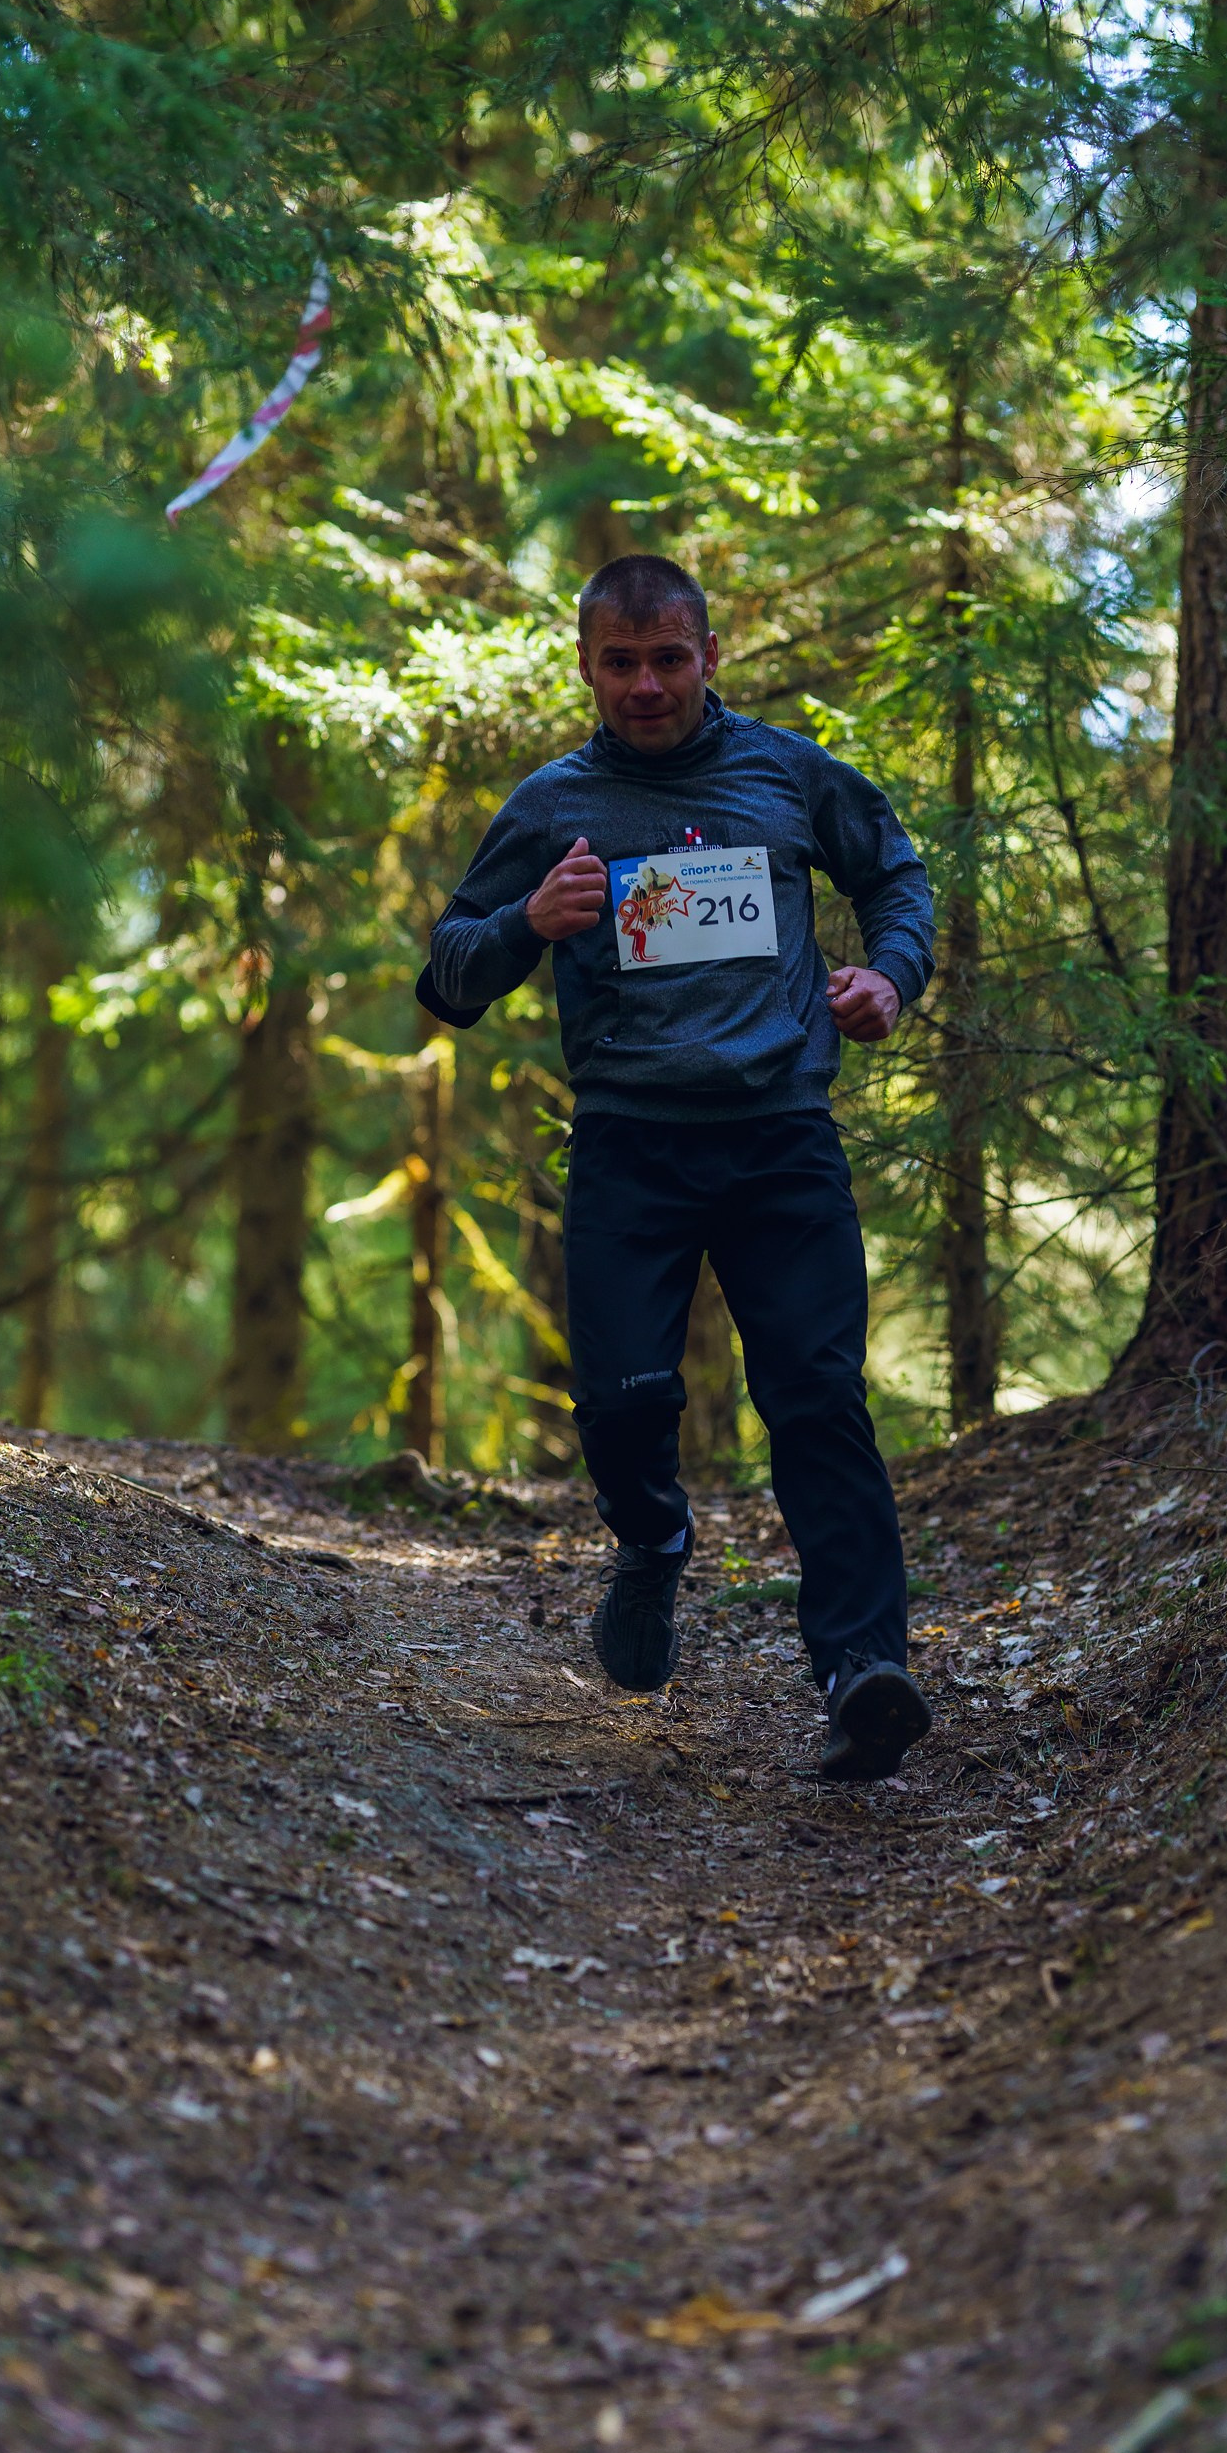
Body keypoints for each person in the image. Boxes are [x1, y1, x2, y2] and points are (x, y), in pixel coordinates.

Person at [422, 553, 936, 1782]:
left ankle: (862, 1667)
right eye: (619, 662)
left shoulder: (787, 774)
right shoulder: (553, 802)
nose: (645, 685)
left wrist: (888, 977)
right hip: (628, 1146)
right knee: (623, 1402)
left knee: (817, 1402)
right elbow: (444, 977)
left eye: (667, 659)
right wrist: (524, 925)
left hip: (779, 1137)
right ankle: (651, 1542)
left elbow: (895, 876)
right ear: (587, 667)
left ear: (711, 657)